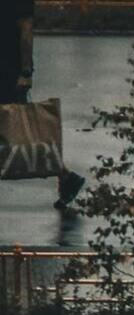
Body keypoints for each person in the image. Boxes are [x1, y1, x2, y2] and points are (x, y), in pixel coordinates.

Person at [2, 0, 85, 208]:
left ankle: (65, 175)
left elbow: (26, 32)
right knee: (17, 131)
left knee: (19, 131)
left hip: (7, 72)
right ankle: (66, 177)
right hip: (8, 70)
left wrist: (25, 71)